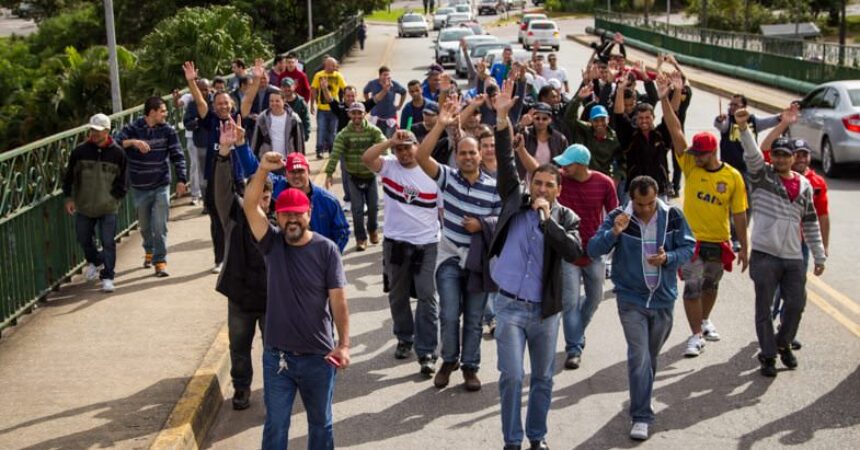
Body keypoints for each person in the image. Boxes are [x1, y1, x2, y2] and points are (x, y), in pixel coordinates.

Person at [489, 80, 584, 450]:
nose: (541, 190)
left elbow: (573, 251)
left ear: (558, 190)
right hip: (509, 306)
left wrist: (548, 221)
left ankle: (537, 437)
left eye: (549, 185)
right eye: (538, 183)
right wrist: (501, 119)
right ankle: (512, 441)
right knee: (512, 376)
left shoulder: (566, 218)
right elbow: (505, 160)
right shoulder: (515, 197)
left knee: (543, 379)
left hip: (545, 312)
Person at [244, 154, 350, 449]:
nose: (291, 219)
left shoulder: (327, 250)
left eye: (297, 213)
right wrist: (263, 169)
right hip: (278, 358)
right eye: (285, 214)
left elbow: (339, 302)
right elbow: (250, 205)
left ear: (309, 212)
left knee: (321, 424)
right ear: (276, 216)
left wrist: (343, 345)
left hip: (319, 356)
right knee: (276, 425)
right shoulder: (271, 243)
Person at [588, 175, 695, 441]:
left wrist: (668, 258)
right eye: (639, 204)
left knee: (650, 357)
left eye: (649, 204)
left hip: (663, 300)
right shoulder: (618, 216)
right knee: (639, 356)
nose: (645, 209)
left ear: (657, 196)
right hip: (631, 299)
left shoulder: (673, 216)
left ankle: (641, 394)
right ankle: (641, 416)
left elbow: (688, 247)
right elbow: (592, 249)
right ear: (630, 199)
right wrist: (614, 232)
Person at [415, 99, 503, 392]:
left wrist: (482, 224)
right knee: (450, 313)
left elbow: (502, 220)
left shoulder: (493, 187)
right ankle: (448, 360)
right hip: (450, 258)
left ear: (480, 156)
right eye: (462, 153)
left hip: (479, 261)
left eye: (472, 153)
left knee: (476, 319)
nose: (467, 157)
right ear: (458, 156)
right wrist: (441, 123)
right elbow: (421, 156)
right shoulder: (448, 178)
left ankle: (470, 367)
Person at [659, 74, 749, 357]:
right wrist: (663, 98)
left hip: (718, 240)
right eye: (695, 152)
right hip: (691, 242)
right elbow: (675, 131)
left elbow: (740, 215)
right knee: (692, 289)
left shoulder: (732, 177)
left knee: (711, 286)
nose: (696, 156)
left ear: (713, 152)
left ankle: (705, 320)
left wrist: (744, 246)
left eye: (702, 153)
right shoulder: (690, 165)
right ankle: (695, 335)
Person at [737, 108, 826, 378]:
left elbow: (810, 221)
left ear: (792, 158)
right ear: (772, 157)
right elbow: (752, 154)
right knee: (764, 307)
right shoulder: (762, 176)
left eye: (785, 155)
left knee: (796, 304)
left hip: (793, 257)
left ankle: (783, 342)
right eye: (776, 154)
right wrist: (742, 128)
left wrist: (819, 256)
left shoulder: (804, 185)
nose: (780, 159)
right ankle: (768, 355)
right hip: (765, 255)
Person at [518, 143, 619, 370]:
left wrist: (608, 239)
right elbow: (537, 169)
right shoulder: (560, 181)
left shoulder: (604, 183)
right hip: (567, 250)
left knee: (595, 298)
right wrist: (522, 149)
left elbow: (614, 213)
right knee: (570, 303)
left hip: (595, 251)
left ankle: (576, 332)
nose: (562, 167)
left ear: (581, 165)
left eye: (567, 163)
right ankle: (574, 348)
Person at [362, 130, 441, 375]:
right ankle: (404, 338)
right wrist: (389, 142)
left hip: (427, 245)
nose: (404, 153)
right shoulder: (389, 167)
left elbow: (443, 213)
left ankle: (427, 350)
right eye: (400, 149)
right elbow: (367, 158)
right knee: (398, 295)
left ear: (418, 147)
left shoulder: (433, 172)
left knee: (427, 296)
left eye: (409, 147)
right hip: (395, 244)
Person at [212, 117, 270, 410]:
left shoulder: (281, 222)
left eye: (267, 194)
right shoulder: (233, 216)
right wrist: (225, 153)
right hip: (240, 295)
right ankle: (242, 388)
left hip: (273, 298)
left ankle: (275, 389)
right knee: (239, 348)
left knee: (274, 349)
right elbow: (221, 191)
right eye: (255, 194)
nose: (261, 199)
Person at [118, 97, 188, 277]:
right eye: (163, 111)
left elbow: (178, 155)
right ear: (152, 112)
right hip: (140, 186)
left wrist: (181, 179)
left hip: (161, 185)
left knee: (159, 225)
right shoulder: (132, 128)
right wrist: (133, 142)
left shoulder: (168, 130)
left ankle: (160, 261)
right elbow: (115, 143)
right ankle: (148, 249)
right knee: (145, 226)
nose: (165, 114)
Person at [185, 61, 244, 275]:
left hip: (237, 178)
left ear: (232, 105)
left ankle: (240, 256)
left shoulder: (238, 121)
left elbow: (250, 99)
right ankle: (220, 259)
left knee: (241, 219)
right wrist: (191, 81)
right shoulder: (210, 121)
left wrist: (255, 79)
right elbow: (200, 102)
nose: (223, 107)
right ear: (214, 106)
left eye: (226, 104)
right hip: (214, 178)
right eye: (219, 104)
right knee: (217, 220)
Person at [235, 147, 350, 253]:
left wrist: (329, 257)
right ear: (285, 173)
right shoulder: (278, 188)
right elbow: (255, 171)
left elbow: (342, 232)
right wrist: (241, 144)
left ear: (308, 171)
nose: (296, 176)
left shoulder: (328, 200)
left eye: (300, 171)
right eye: (292, 172)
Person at [62, 113, 127, 293]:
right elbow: (68, 177)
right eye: (92, 130)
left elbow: (124, 180)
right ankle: (96, 261)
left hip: (108, 206)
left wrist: (114, 197)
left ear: (107, 131)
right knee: (83, 237)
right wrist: (69, 198)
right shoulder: (80, 152)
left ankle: (108, 276)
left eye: (98, 131)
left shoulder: (118, 153)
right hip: (84, 205)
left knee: (108, 241)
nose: (94, 134)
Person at [324, 103, 385, 251]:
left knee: (373, 207)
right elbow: (335, 153)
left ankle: (372, 229)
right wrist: (329, 173)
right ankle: (360, 238)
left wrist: (387, 170)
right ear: (350, 115)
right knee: (357, 209)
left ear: (364, 114)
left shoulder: (373, 130)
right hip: (353, 176)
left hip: (370, 176)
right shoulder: (344, 134)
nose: (357, 116)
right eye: (354, 113)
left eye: (360, 113)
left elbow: (384, 145)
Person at [565, 85, 624, 182]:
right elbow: (569, 118)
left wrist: (616, 178)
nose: (600, 123)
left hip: (602, 179)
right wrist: (578, 99)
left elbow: (622, 161)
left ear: (608, 119)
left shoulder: (615, 138)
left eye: (602, 120)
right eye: (596, 120)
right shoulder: (584, 129)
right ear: (590, 121)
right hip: (581, 177)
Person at [513, 102, 568, 181]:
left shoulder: (560, 139)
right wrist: (521, 125)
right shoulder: (525, 133)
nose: (540, 121)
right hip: (524, 184)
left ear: (550, 120)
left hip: (549, 184)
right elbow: (512, 142)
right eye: (537, 118)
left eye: (544, 119)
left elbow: (564, 164)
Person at [311, 57, 348, 159]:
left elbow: (345, 89)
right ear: (325, 65)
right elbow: (313, 89)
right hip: (322, 108)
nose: (331, 67)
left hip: (334, 108)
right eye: (329, 65)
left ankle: (332, 149)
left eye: (333, 65)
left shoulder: (338, 76)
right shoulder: (319, 75)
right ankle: (319, 150)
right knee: (321, 130)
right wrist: (312, 104)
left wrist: (347, 103)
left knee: (333, 131)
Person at [364, 66, 407, 137]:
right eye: (384, 75)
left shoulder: (394, 84)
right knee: (375, 137)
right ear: (380, 76)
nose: (386, 77)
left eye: (388, 75)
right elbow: (365, 91)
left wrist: (399, 105)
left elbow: (404, 92)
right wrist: (369, 104)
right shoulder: (372, 83)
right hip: (375, 116)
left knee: (388, 138)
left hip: (390, 117)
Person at [281, 77, 312, 147]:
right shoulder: (279, 102)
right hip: (282, 137)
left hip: (298, 136)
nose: (286, 89)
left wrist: (306, 134)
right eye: (284, 87)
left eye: (288, 86)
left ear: (294, 86)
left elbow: (306, 119)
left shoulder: (301, 102)